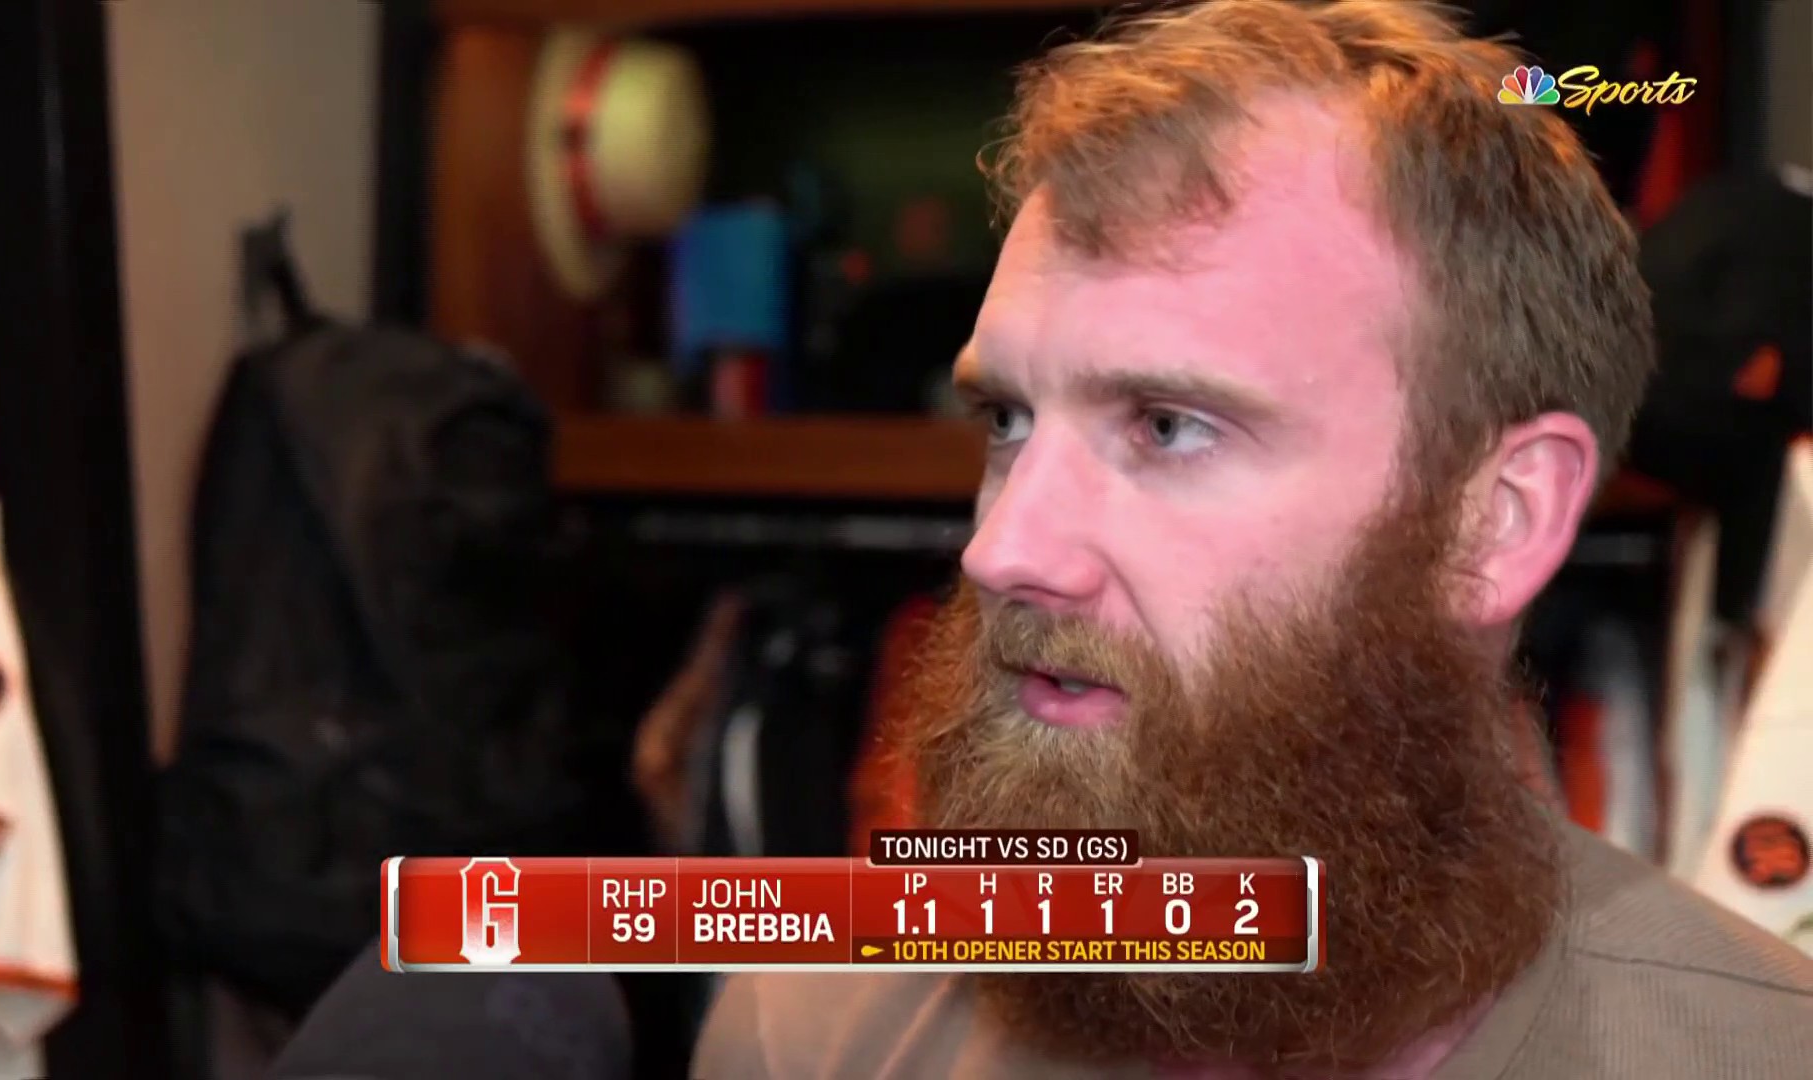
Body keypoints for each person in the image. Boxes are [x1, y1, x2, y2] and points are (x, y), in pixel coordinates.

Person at [692, 1, 1813, 1077]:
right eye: (1007, 421)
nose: (1001, 550)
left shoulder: (1752, 1052)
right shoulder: (816, 1025)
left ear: (1497, 517)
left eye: (1170, 426)